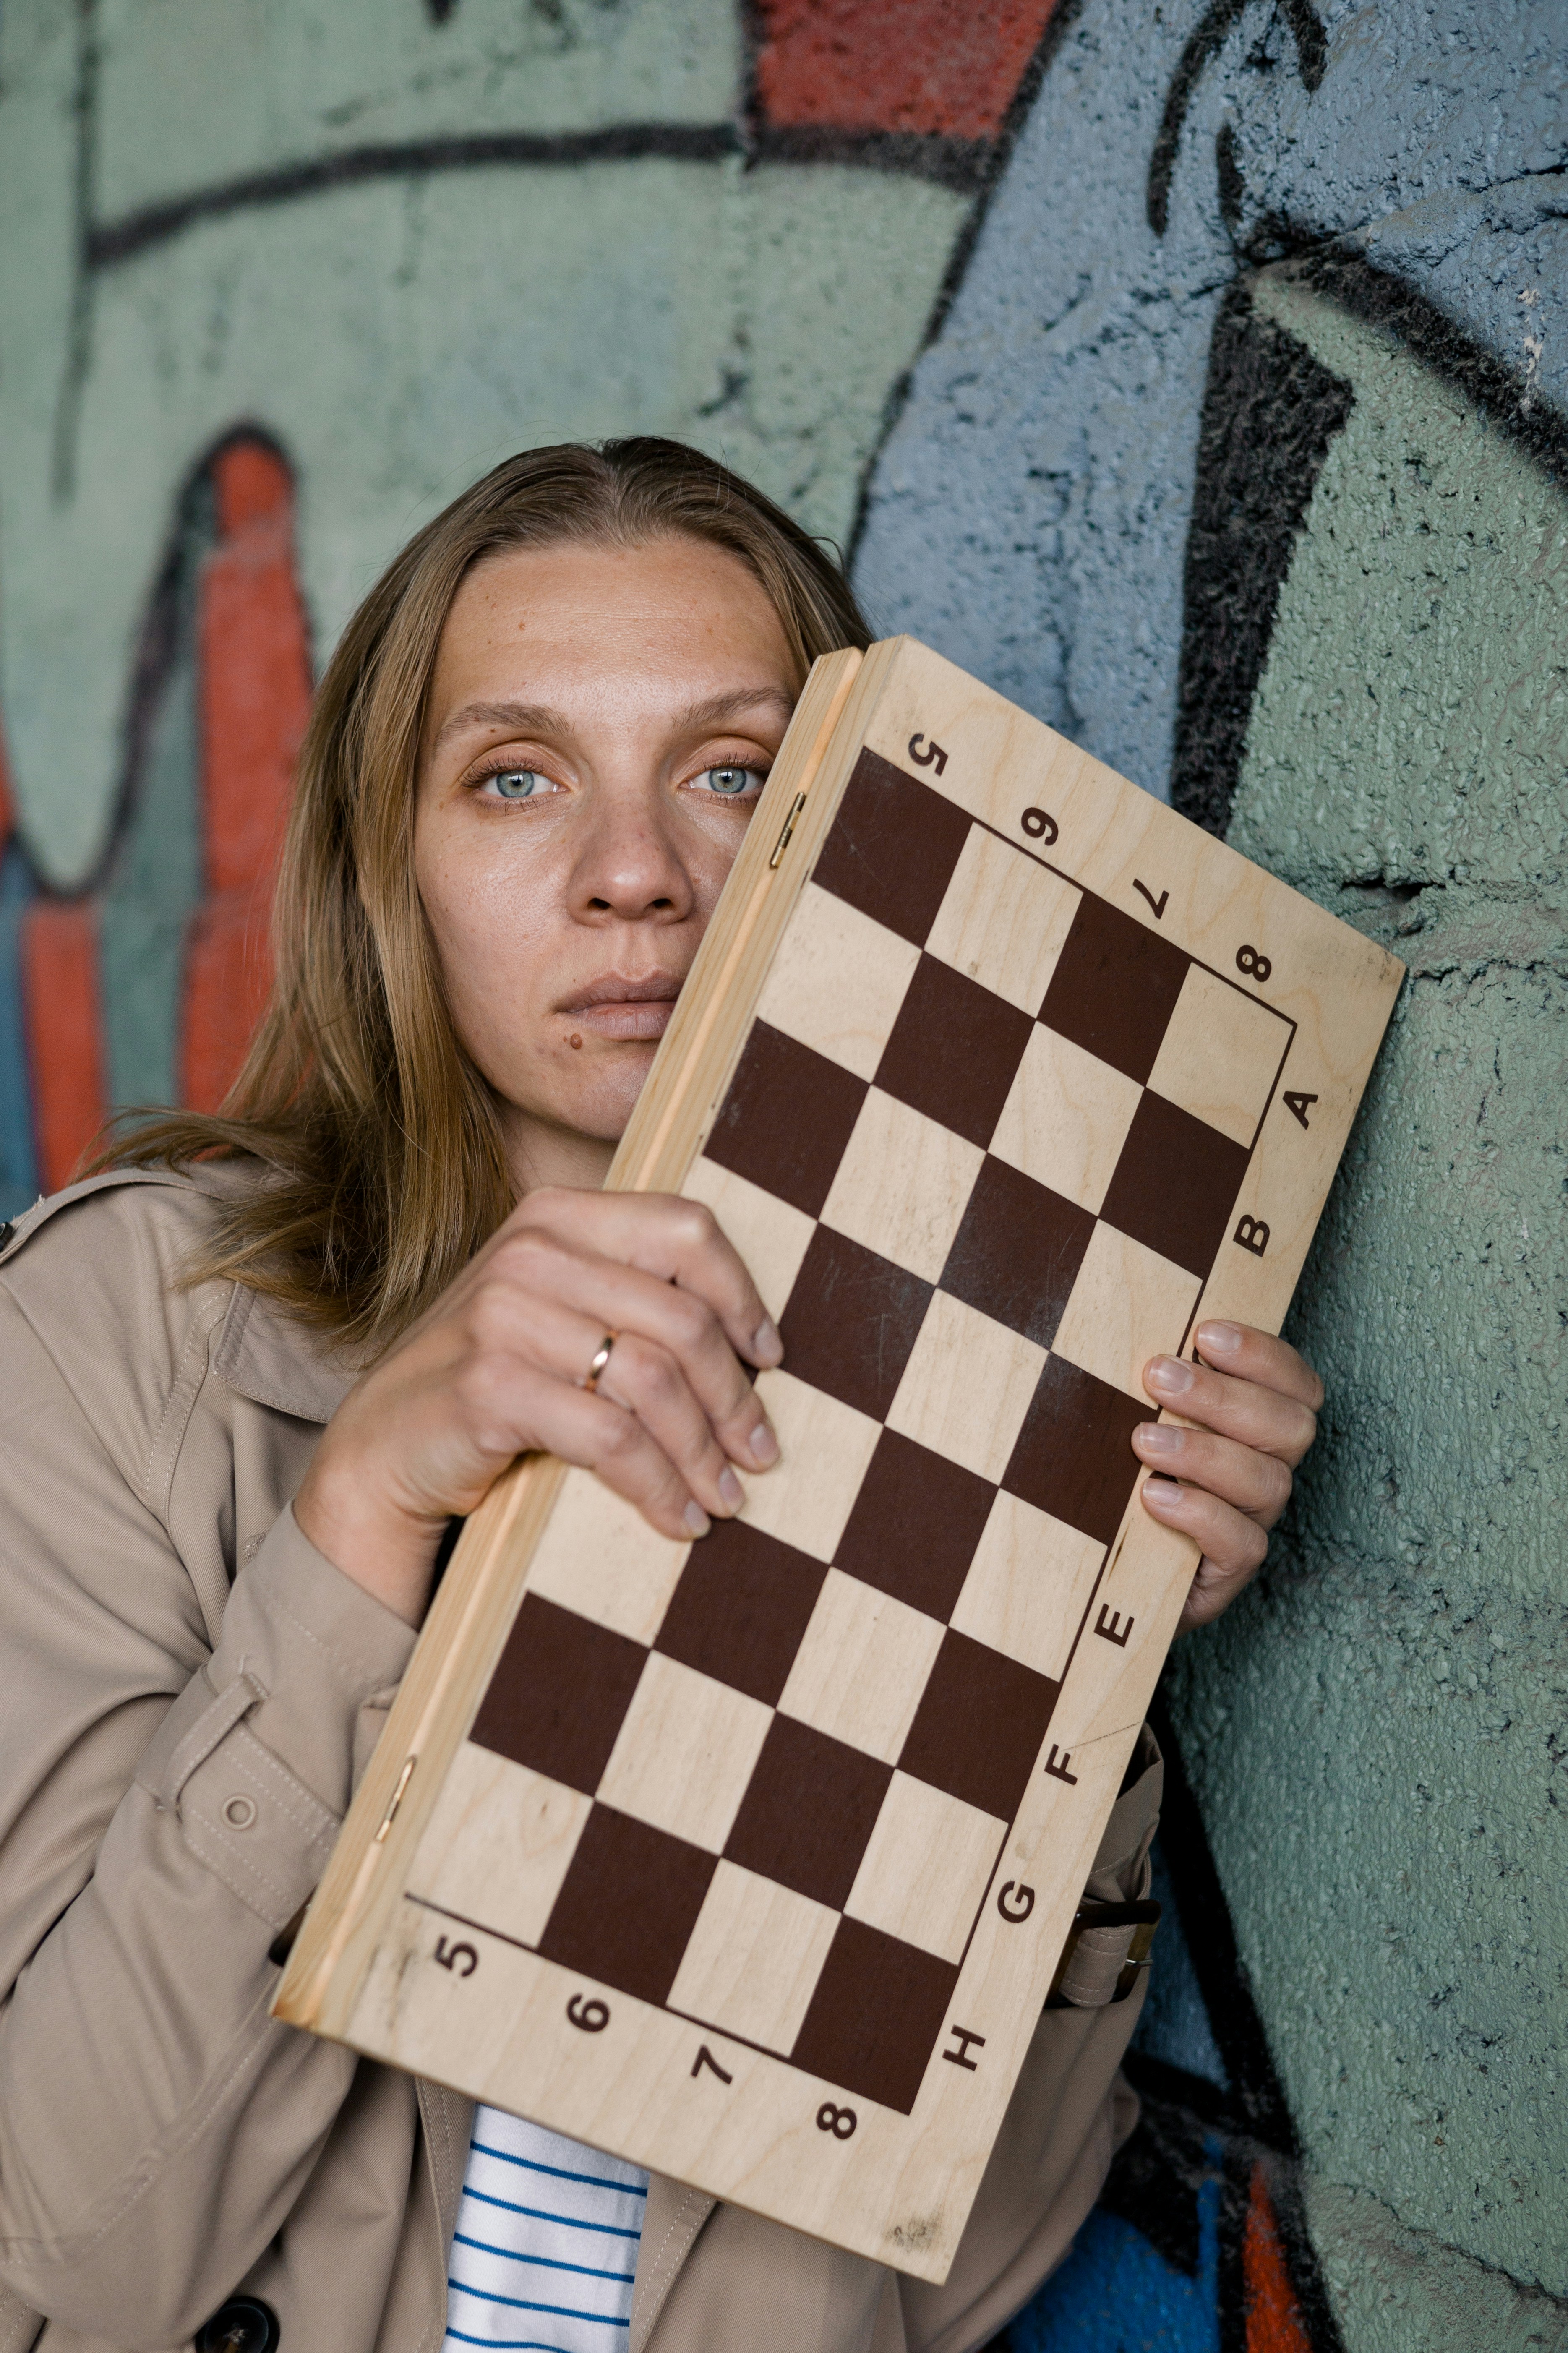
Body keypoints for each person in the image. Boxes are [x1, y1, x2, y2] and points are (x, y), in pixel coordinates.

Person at [0, 440, 1324, 2353]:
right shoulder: (121, 1327)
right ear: (395, 867)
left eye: (733, 772)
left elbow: (939, 2277)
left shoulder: (965, 1385)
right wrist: (359, 1528)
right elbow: (54, 2267)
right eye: (517, 777)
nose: (635, 876)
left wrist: (1081, 1648)